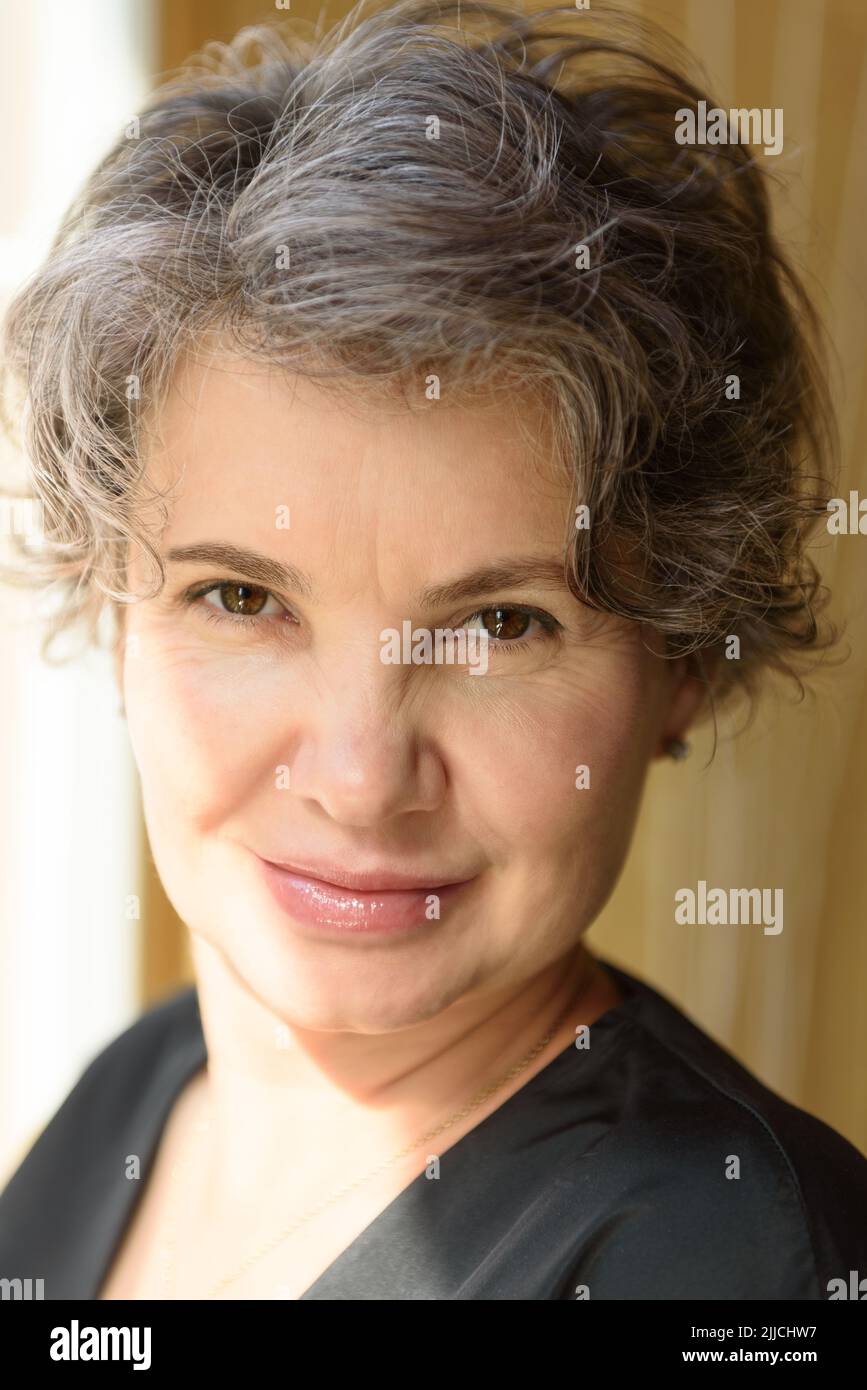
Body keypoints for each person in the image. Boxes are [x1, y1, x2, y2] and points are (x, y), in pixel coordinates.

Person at [0, 0, 864, 1300]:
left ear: (685, 653)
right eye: (242, 598)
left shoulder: (733, 1265)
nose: (358, 777)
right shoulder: (140, 1088)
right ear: (113, 601)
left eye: (499, 624)